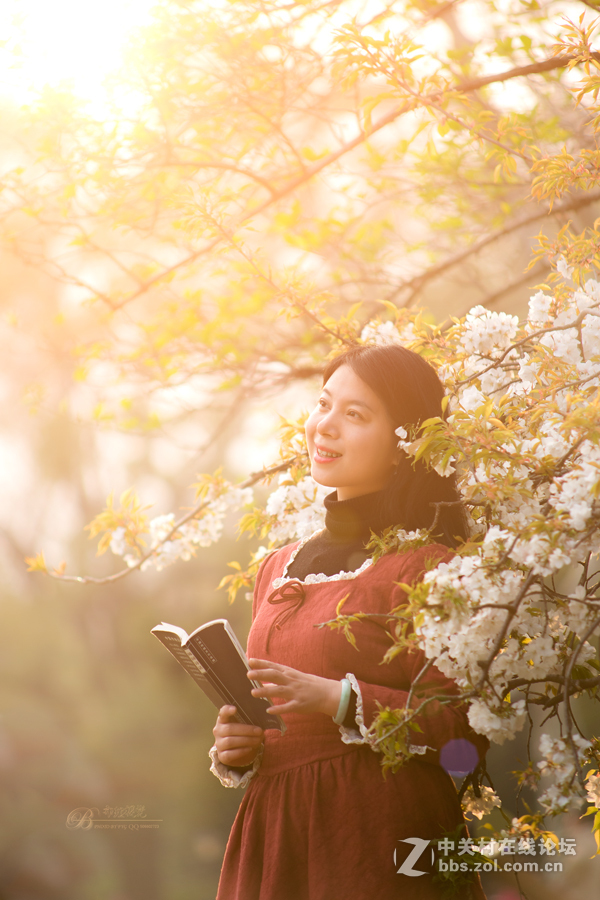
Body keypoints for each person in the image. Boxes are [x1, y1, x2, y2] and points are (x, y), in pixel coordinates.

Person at [209, 344, 489, 900]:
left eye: (355, 415)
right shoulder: (277, 565)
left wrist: (340, 699)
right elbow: (281, 722)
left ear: (402, 444)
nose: (324, 426)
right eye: (323, 404)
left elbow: (463, 735)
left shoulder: (431, 566)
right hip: (275, 835)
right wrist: (240, 746)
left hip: (373, 836)